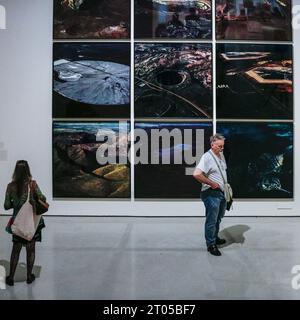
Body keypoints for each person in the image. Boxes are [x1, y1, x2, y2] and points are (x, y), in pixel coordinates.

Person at [4, 160, 46, 286]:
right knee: (31, 250)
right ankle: (29, 276)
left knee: (15, 250)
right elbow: (42, 198)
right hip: (32, 222)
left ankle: (11, 277)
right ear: (28, 170)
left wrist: (15, 203)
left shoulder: (11, 186)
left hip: (18, 221)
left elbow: (6, 206)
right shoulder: (32, 184)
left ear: (15, 171)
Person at [193, 134, 228, 256]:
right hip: (211, 193)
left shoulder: (220, 155)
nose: (222, 148)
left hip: (221, 193)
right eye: (219, 146)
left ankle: (215, 237)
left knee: (218, 218)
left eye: (223, 146)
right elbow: (197, 174)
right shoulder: (207, 157)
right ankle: (211, 244)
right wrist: (212, 183)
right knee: (211, 220)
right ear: (212, 145)